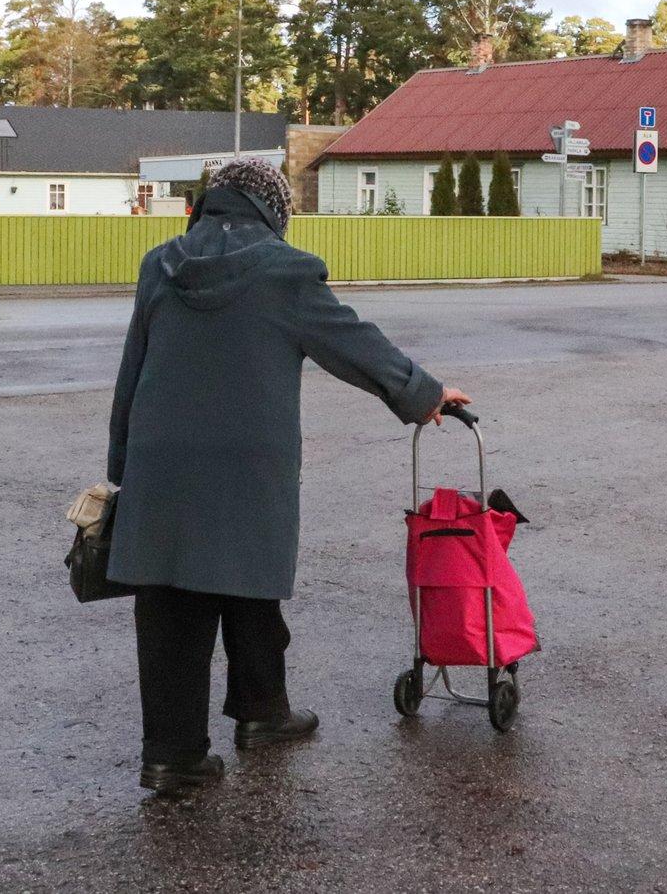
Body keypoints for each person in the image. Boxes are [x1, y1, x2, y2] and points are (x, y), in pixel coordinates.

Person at [105, 157, 468, 793]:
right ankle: (229, 732)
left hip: (161, 458)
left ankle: (200, 740)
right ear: (272, 209)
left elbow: (132, 367)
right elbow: (349, 341)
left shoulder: (160, 264)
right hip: (248, 460)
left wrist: (123, 466)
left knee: (172, 597)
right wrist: (423, 393)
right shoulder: (284, 270)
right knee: (246, 567)